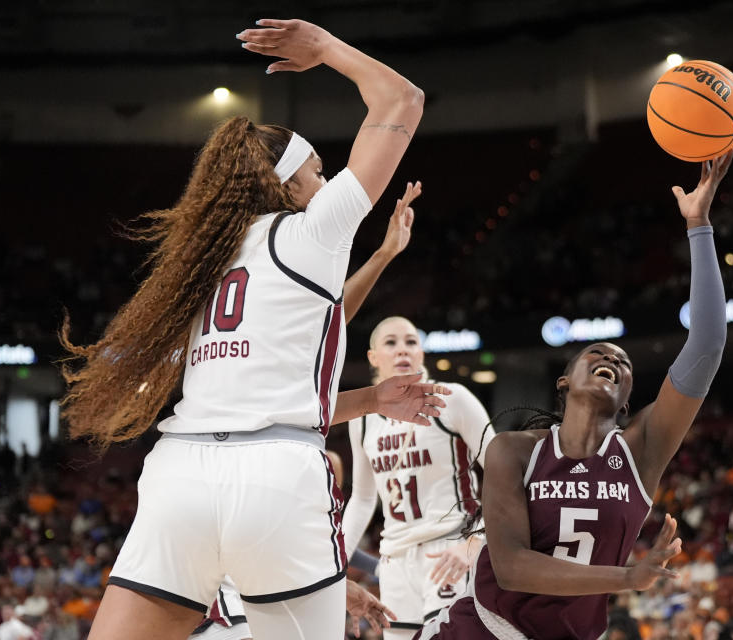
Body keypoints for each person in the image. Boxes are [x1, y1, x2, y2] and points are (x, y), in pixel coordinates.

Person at [59, 17, 434, 640]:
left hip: (180, 474)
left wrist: (368, 400)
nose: (326, 182)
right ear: (284, 184)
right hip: (277, 480)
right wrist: (326, 49)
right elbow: (403, 100)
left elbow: (253, 392)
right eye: (317, 172)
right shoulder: (313, 230)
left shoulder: (198, 264)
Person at [416, 150, 733, 639]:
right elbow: (513, 568)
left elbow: (708, 343)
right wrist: (627, 577)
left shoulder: (639, 450)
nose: (613, 359)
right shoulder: (514, 451)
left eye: (624, 363)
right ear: (564, 382)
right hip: (485, 627)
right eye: (597, 354)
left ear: (626, 400)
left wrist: (699, 226)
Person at [186, 186, 422, 640]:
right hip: (241, 594)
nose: (323, 182)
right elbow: (322, 330)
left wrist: (383, 255)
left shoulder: (233, 255)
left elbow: (323, 327)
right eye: (315, 171)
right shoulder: (282, 246)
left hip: (222, 489)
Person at [342, 315, 494, 638]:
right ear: (373, 357)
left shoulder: (453, 398)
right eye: (391, 343)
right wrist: (331, 565)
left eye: (411, 342)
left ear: (422, 353)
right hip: (394, 559)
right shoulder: (363, 418)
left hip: (448, 548)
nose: (403, 351)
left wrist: (476, 541)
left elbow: (503, 474)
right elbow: (364, 498)